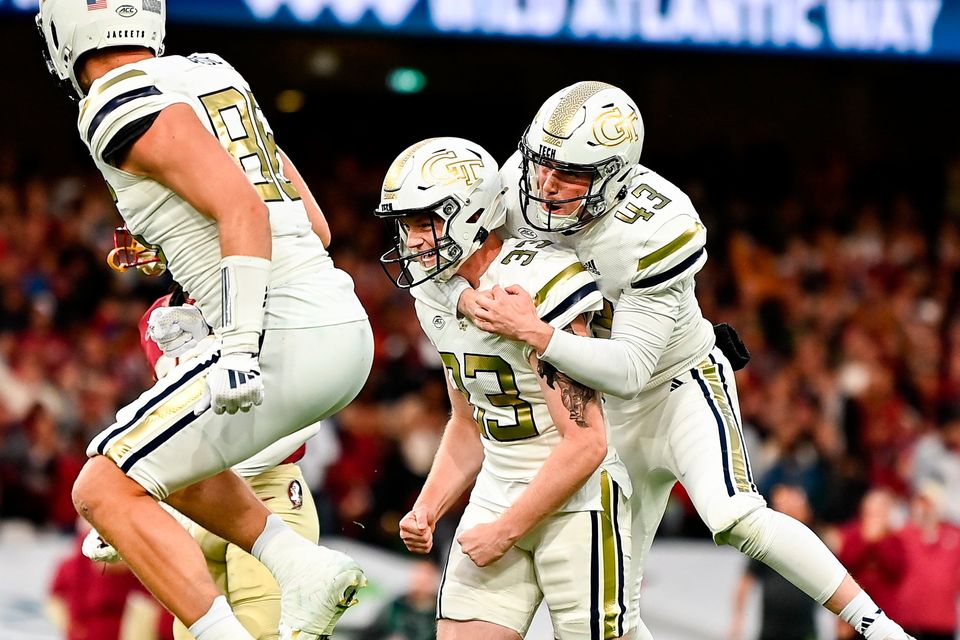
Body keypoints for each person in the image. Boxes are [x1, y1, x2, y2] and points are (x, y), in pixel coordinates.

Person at [449, 81, 917, 640]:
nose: (546, 184)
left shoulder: (659, 225)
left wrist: (538, 333)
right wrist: (463, 298)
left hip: (678, 386)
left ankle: (878, 627)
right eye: (542, 162)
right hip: (600, 410)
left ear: (614, 176)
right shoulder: (513, 186)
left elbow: (629, 370)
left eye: (571, 173)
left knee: (732, 514)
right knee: (615, 606)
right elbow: (452, 268)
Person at [36, 2, 373, 638]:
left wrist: (239, 344)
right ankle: (300, 566)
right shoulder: (211, 71)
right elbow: (314, 226)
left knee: (100, 492)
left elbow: (241, 208)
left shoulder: (113, 99)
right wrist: (174, 240)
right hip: (339, 326)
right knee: (172, 466)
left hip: (281, 335)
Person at [376, 137, 635, 640]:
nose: (413, 240)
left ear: (471, 212)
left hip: (578, 498)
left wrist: (507, 529)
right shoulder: (434, 293)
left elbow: (587, 440)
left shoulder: (537, 278)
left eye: (424, 221)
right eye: (404, 224)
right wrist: (428, 507)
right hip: (498, 487)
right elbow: (468, 422)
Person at [84, 284, 326, 640]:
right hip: (198, 502)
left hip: (264, 490)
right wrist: (133, 496)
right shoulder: (161, 314)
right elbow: (172, 419)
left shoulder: (274, 294)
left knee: (264, 632)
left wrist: (199, 479)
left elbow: (305, 417)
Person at [727, 484, 820, 640]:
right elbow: (746, 581)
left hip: (804, 627)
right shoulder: (767, 541)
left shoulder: (815, 541)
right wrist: (737, 618)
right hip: (772, 628)